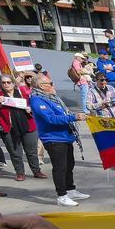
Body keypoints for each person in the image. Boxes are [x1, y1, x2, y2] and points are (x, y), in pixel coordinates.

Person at [29, 74, 88, 207]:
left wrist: (72, 117)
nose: (53, 85)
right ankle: (61, 195)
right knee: (60, 168)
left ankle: (70, 189)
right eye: (50, 83)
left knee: (69, 165)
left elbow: (62, 113)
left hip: (65, 137)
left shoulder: (52, 97)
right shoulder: (37, 100)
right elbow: (50, 119)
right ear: (41, 86)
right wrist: (73, 118)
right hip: (53, 138)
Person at [0, 74, 44, 182]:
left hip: (28, 126)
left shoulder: (23, 93)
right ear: (0, 84)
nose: (6, 84)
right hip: (9, 129)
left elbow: (35, 106)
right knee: (15, 153)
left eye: (8, 82)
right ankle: (20, 173)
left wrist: (30, 109)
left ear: (13, 83)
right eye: (3, 82)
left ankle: (36, 171)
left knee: (31, 151)